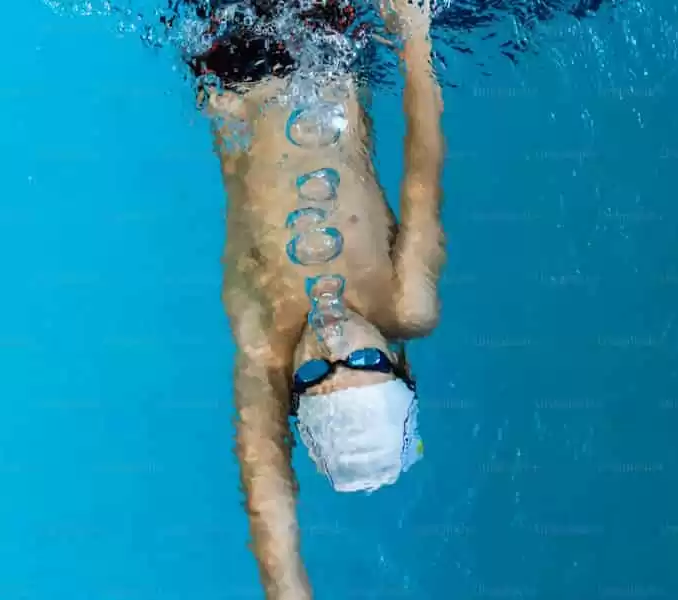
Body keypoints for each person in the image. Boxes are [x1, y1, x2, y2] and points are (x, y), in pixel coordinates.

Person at [190, 0, 445, 598]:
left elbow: (266, 494)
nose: (332, 343)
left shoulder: (265, 352)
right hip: (325, 49)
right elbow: (421, 171)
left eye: (315, 372)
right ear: (399, 364)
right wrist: (415, 37)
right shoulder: (407, 304)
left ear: (294, 391)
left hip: (229, 72)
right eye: (361, 362)